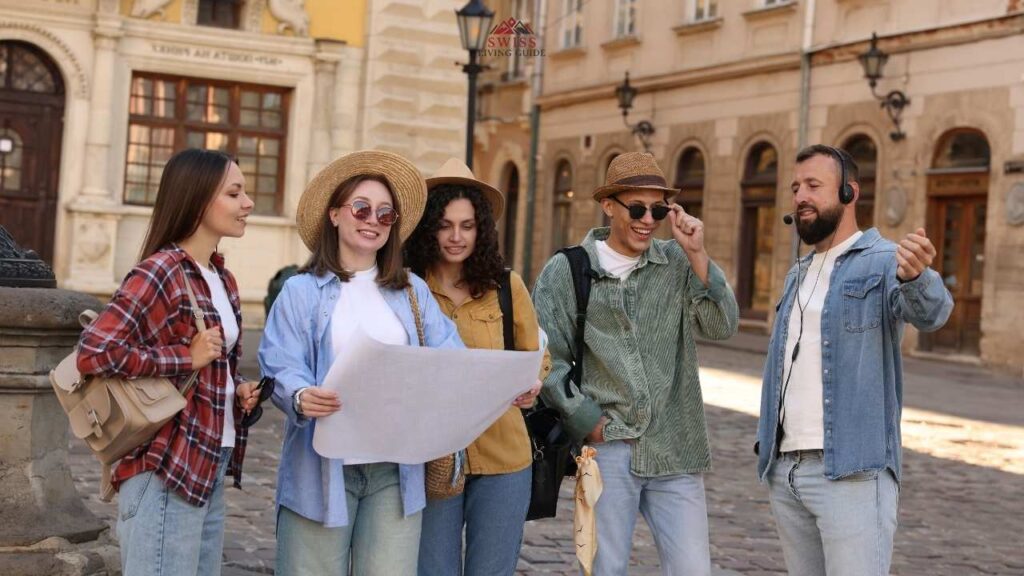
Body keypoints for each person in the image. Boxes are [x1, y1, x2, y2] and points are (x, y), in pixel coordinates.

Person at [532, 151, 739, 576]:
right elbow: (547, 358)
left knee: (693, 570)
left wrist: (698, 253)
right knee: (605, 570)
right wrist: (587, 420)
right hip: (608, 450)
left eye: (659, 209)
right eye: (638, 208)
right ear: (609, 205)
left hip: (675, 449)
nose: (649, 219)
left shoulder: (677, 263)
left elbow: (722, 325)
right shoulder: (568, 270)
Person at [259, 150, 463, 576]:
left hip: (396, 471)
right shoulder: (301, 292)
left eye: (386, 214)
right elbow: (280, 362)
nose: (373, 220)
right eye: (362, 208)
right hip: (321, 468)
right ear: (335, 215)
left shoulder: (411, 291)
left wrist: (498, 384)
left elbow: (450, 356)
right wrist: (300, 395)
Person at [756, 145, 953, 576]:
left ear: (849, 192)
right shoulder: (798, 273)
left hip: (851, 473)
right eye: (795, 188)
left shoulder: (884, 261)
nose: (800, 196)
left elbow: (932, 312)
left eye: (813, 185)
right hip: (786, 471)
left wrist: (918, 276)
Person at [76, 148, 261, 576]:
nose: (247, 203)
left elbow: (210, 370)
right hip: (164, 466)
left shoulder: (220, 275)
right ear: (198, 200)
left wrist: (238, 392)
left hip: (209, 462)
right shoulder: (161, 270)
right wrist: (184, 357)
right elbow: (94, 352)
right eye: (234, 193)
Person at [404, 158, 549, 576]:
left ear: (481, 229)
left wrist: (533, 383)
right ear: (429, 226)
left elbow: (538, 355)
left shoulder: (507, 285)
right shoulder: (408, 286)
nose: (455, 237)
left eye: (467, 226)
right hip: (433, 455)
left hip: (504, 455)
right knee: (433, 569)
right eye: (445, 224)